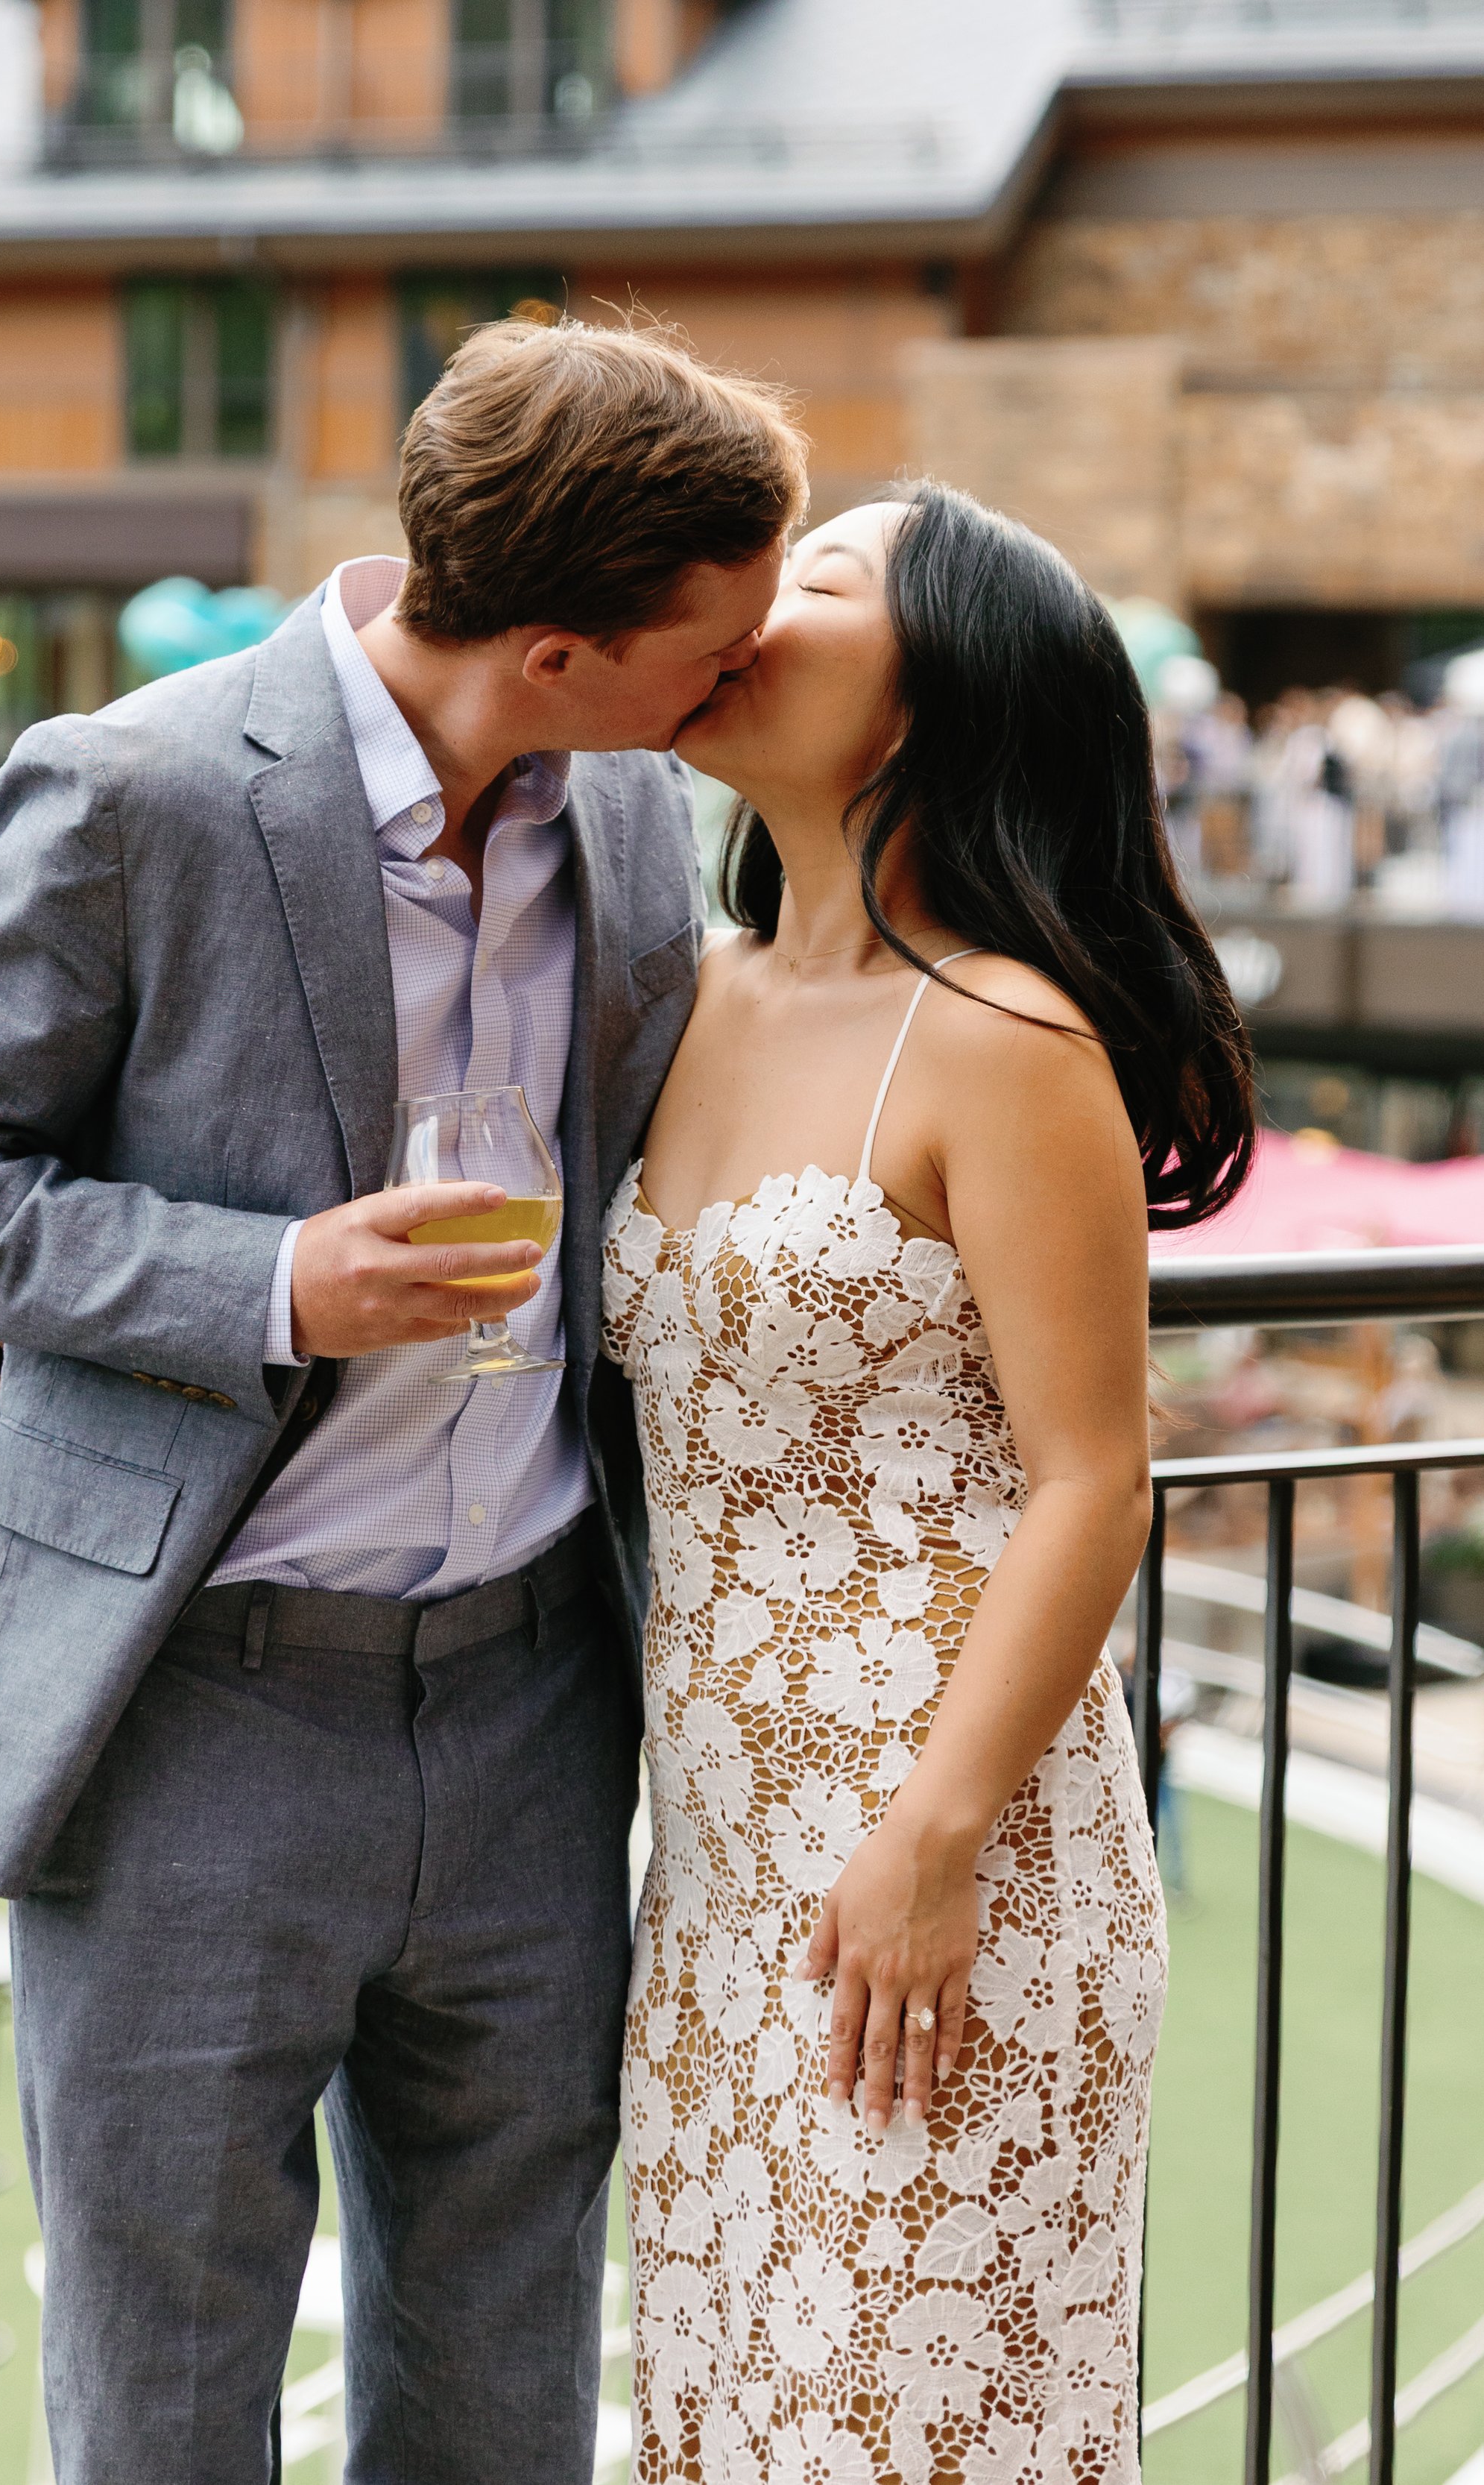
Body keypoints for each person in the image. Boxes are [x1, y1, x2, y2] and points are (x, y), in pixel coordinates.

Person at [0, 317, 806, 2485]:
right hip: (193, 1718)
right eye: (708, 649)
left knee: (502, 2382)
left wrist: (91, 1299)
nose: (737, 686)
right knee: (165, 2402)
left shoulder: (637, 812)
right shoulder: (133, 783)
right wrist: (252, 1284)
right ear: (553, 645)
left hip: (544, 1693)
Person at [601, 482, 1254, 2482]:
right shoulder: (676, 991)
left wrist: (934, 1842)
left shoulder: (1000, 1034)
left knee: (913, 2431)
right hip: (714, 1865)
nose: (737, 607)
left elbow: (1091, 1474)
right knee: (728, 2421)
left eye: (811, 580)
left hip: (946, 1851)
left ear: (930, 695)